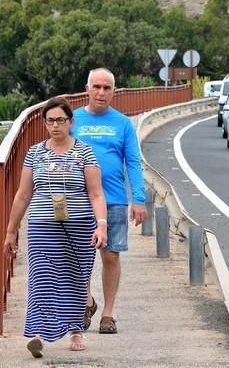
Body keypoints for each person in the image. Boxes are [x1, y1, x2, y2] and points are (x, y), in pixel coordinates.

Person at [3, 97, 108, 357]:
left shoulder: (84, 152)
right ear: (44, 123)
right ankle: (37, 334)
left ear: (71, 122)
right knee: (42, 278)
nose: (56, 125)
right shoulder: (35, 153)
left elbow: (95, 193)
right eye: (50, 120)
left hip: (79, 224)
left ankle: (75, 330)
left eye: (61, 120)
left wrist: (101, 225)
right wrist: (11, 230)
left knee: (75, 278)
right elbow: (23, 195)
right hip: (41, 225)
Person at [71, 68, 148, 334]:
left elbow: (134, 163)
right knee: (78, 256)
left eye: (107, 88)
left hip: (114, 198)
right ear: (87, 88)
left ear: (113, 91)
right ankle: (86, 301)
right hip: (78, 199)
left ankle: (108, 313)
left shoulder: (123, 124)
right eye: (97, 87)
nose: (101, 93)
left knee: (110, 254)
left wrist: (138, 198)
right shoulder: (73, 120)